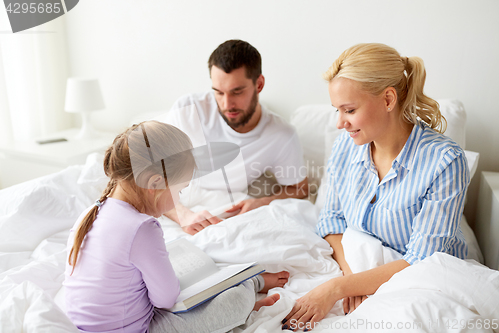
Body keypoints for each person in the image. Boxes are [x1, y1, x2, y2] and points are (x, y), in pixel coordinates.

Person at [281, 43, 470, 331]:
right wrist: (353, 279)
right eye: (337, 110)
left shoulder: (444, 161)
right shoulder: (347, 145)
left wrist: (336, 288)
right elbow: (332, 218)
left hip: (424, 280)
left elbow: (422, 260)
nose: (339, 123)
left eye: (349, 110)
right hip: (356, 267)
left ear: (388, 99)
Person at [63, 121, 289, 333]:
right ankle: (252, 284)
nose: (177, 199)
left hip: (83, 327)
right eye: (179, 190)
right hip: (134, 329)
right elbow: (166, 300)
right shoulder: (143, 227)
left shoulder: (89, 214)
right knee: (234, 302)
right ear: (154, 183)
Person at [162, 40, 308, 234]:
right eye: (219, 92)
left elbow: (299, 188)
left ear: (259, 84)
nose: (226, 104)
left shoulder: (281, 135)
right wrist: (183, 215)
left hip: (225, 208)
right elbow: (150, 173)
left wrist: (263, 202)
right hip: (172, 205)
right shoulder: (188, 109)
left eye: (237, 92)